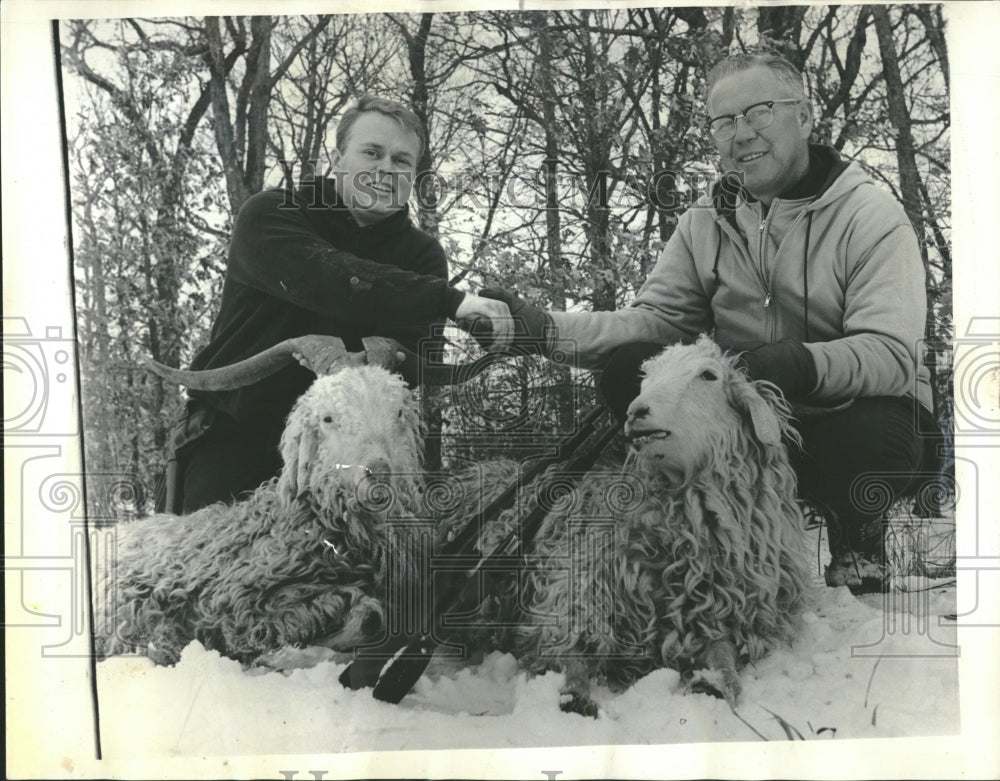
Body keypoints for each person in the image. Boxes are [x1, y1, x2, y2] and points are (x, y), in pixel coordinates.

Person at [478, 53, 940, 594]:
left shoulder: (871, 216)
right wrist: (543, 330)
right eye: (724, 122)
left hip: (848, 415)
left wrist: (796, 362)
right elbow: (655, 321)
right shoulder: (704, 219)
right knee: (629, 370)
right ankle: (714, 532)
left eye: (760, 112)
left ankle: (858, 534)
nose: (741, 134)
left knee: (872, 443)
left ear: (806, 118)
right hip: (742, 411)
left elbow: (891, 354)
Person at [157, 95, 512, 515]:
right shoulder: (271, 214)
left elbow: (418, 358)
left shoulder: (422, 256)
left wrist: (393, 355)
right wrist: (450, 301)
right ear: (337, 158)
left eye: (402, 161)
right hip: (237, 437)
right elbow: (327, 277)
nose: (385, 170)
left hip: (353, 453)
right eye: (372, 152)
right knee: (199, 568)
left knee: (358, 571)